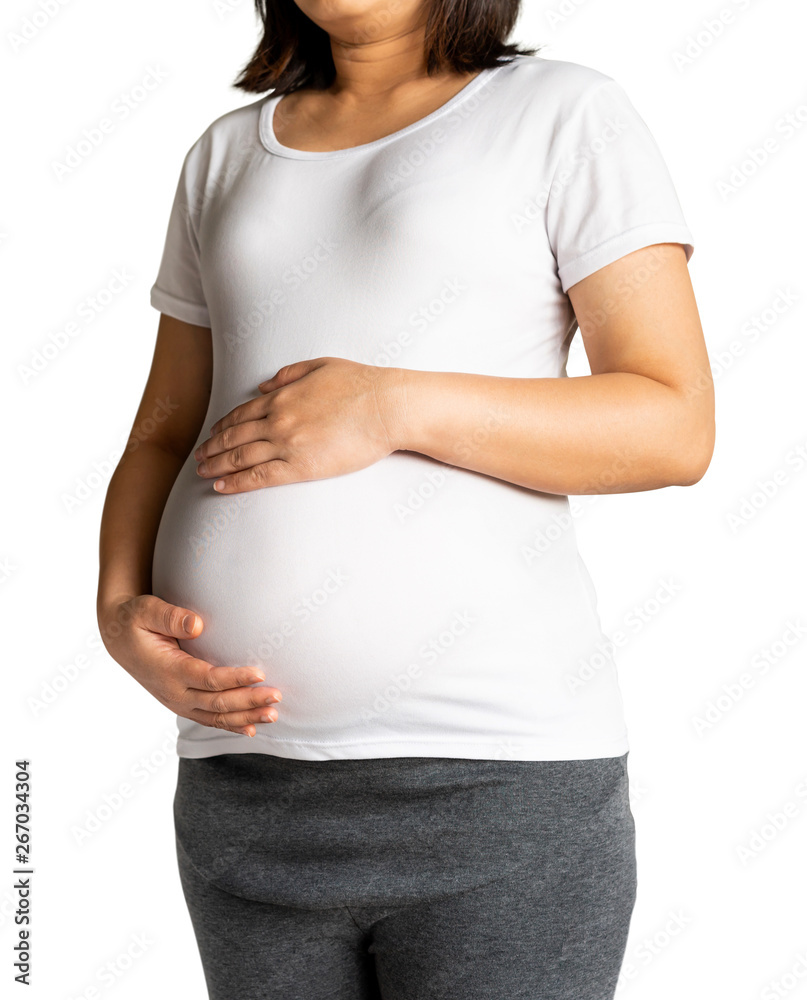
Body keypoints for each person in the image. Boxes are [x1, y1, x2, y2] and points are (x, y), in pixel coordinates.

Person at [96, 1, 715, 997]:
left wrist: (392, 404)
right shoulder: (223, 153)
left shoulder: (565, 114)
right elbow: (163, 432)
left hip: (494, 790)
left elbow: (672, 425)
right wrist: (118, 609)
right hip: (242, 788)